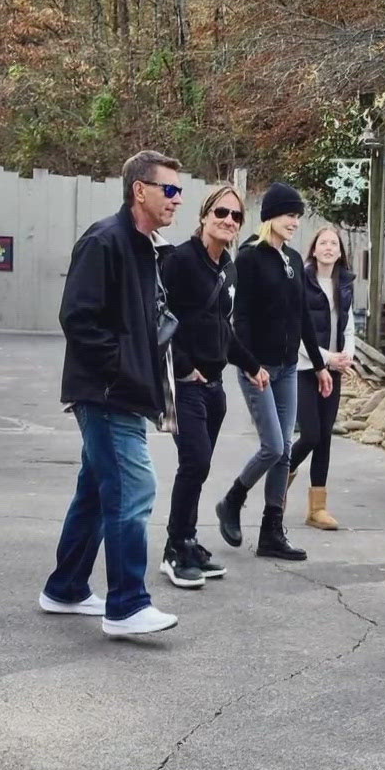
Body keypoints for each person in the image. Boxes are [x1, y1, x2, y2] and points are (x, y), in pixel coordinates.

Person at [39, 150, 183, 637]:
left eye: (179, 191)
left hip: (122, 390)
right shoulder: (105, 241)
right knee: (134, 488)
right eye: (169, 189)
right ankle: (126, 603)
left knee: (98, 493)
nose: (177, 199)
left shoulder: (145, 246)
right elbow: (77, 318)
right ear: (139, 189)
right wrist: (122, 370)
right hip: (107, 393)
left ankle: (66, 588)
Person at [157, 186, 271, 588]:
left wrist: (251, 363)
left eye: (237, 216)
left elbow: (222, 327)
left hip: (214, 386)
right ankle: (175, 549)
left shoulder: (229, 267)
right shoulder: (180, 261)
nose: (229, 220)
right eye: (221, 212)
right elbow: (160, 318)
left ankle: (187, 541)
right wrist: (184, 369)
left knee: (198, 467)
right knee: (196, 462)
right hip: (185, 384)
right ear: (205, 215)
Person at [216, 183, 332, 560]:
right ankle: (232, 500)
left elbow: (302, 319)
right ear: (270, 216)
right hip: (259, 367)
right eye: (288, 214)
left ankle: (271, 532)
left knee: (282, 453)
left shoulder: (295, 260)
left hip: (287, 368)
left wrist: (319, 365)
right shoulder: (249, 257)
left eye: (298, 216)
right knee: (275, 446)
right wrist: (250, 364)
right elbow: (241, 317)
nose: (294, 222)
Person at [288, 226, 357, 530]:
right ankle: (281, 477)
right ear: (313, 250)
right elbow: (297, 330)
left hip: (334, 368)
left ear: (340, 252)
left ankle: (317, 509)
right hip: (304, 367)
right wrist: (326, 358)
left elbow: (349, 326)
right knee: (312, 434)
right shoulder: (301, 280)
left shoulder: (344, 284)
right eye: (323, 243)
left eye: (334, 243)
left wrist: (346, 356)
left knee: (325, 438)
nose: (329, 247)